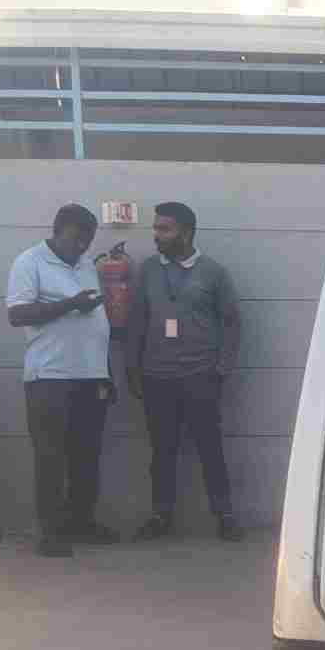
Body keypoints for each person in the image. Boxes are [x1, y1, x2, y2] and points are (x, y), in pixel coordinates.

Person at [5, 203, 118, 558]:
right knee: (51, 457)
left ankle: (82, 523)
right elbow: (17, 314)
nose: (81, 246)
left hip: (91, 376)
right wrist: (70, 304)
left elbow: (96, 323)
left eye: (88, 240)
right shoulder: (29, 262)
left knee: (87, 455)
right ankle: (52, 534)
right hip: (50, 377)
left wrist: (106, 372)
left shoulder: (86, 265)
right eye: (75, 239)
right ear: (56, 232)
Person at [127, 201, 243, 542]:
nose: (156, 235)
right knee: (162, 451)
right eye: (155, 228)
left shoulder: (213, 272)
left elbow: (232, 322)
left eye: (164, 229)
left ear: (186, 233)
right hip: (156, 377)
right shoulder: (149, 270)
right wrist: (132, 367)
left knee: (210, 448)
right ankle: (160, 516)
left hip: (200, 376)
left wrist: (222, 369)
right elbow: (137, 320)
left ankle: (225, 515)